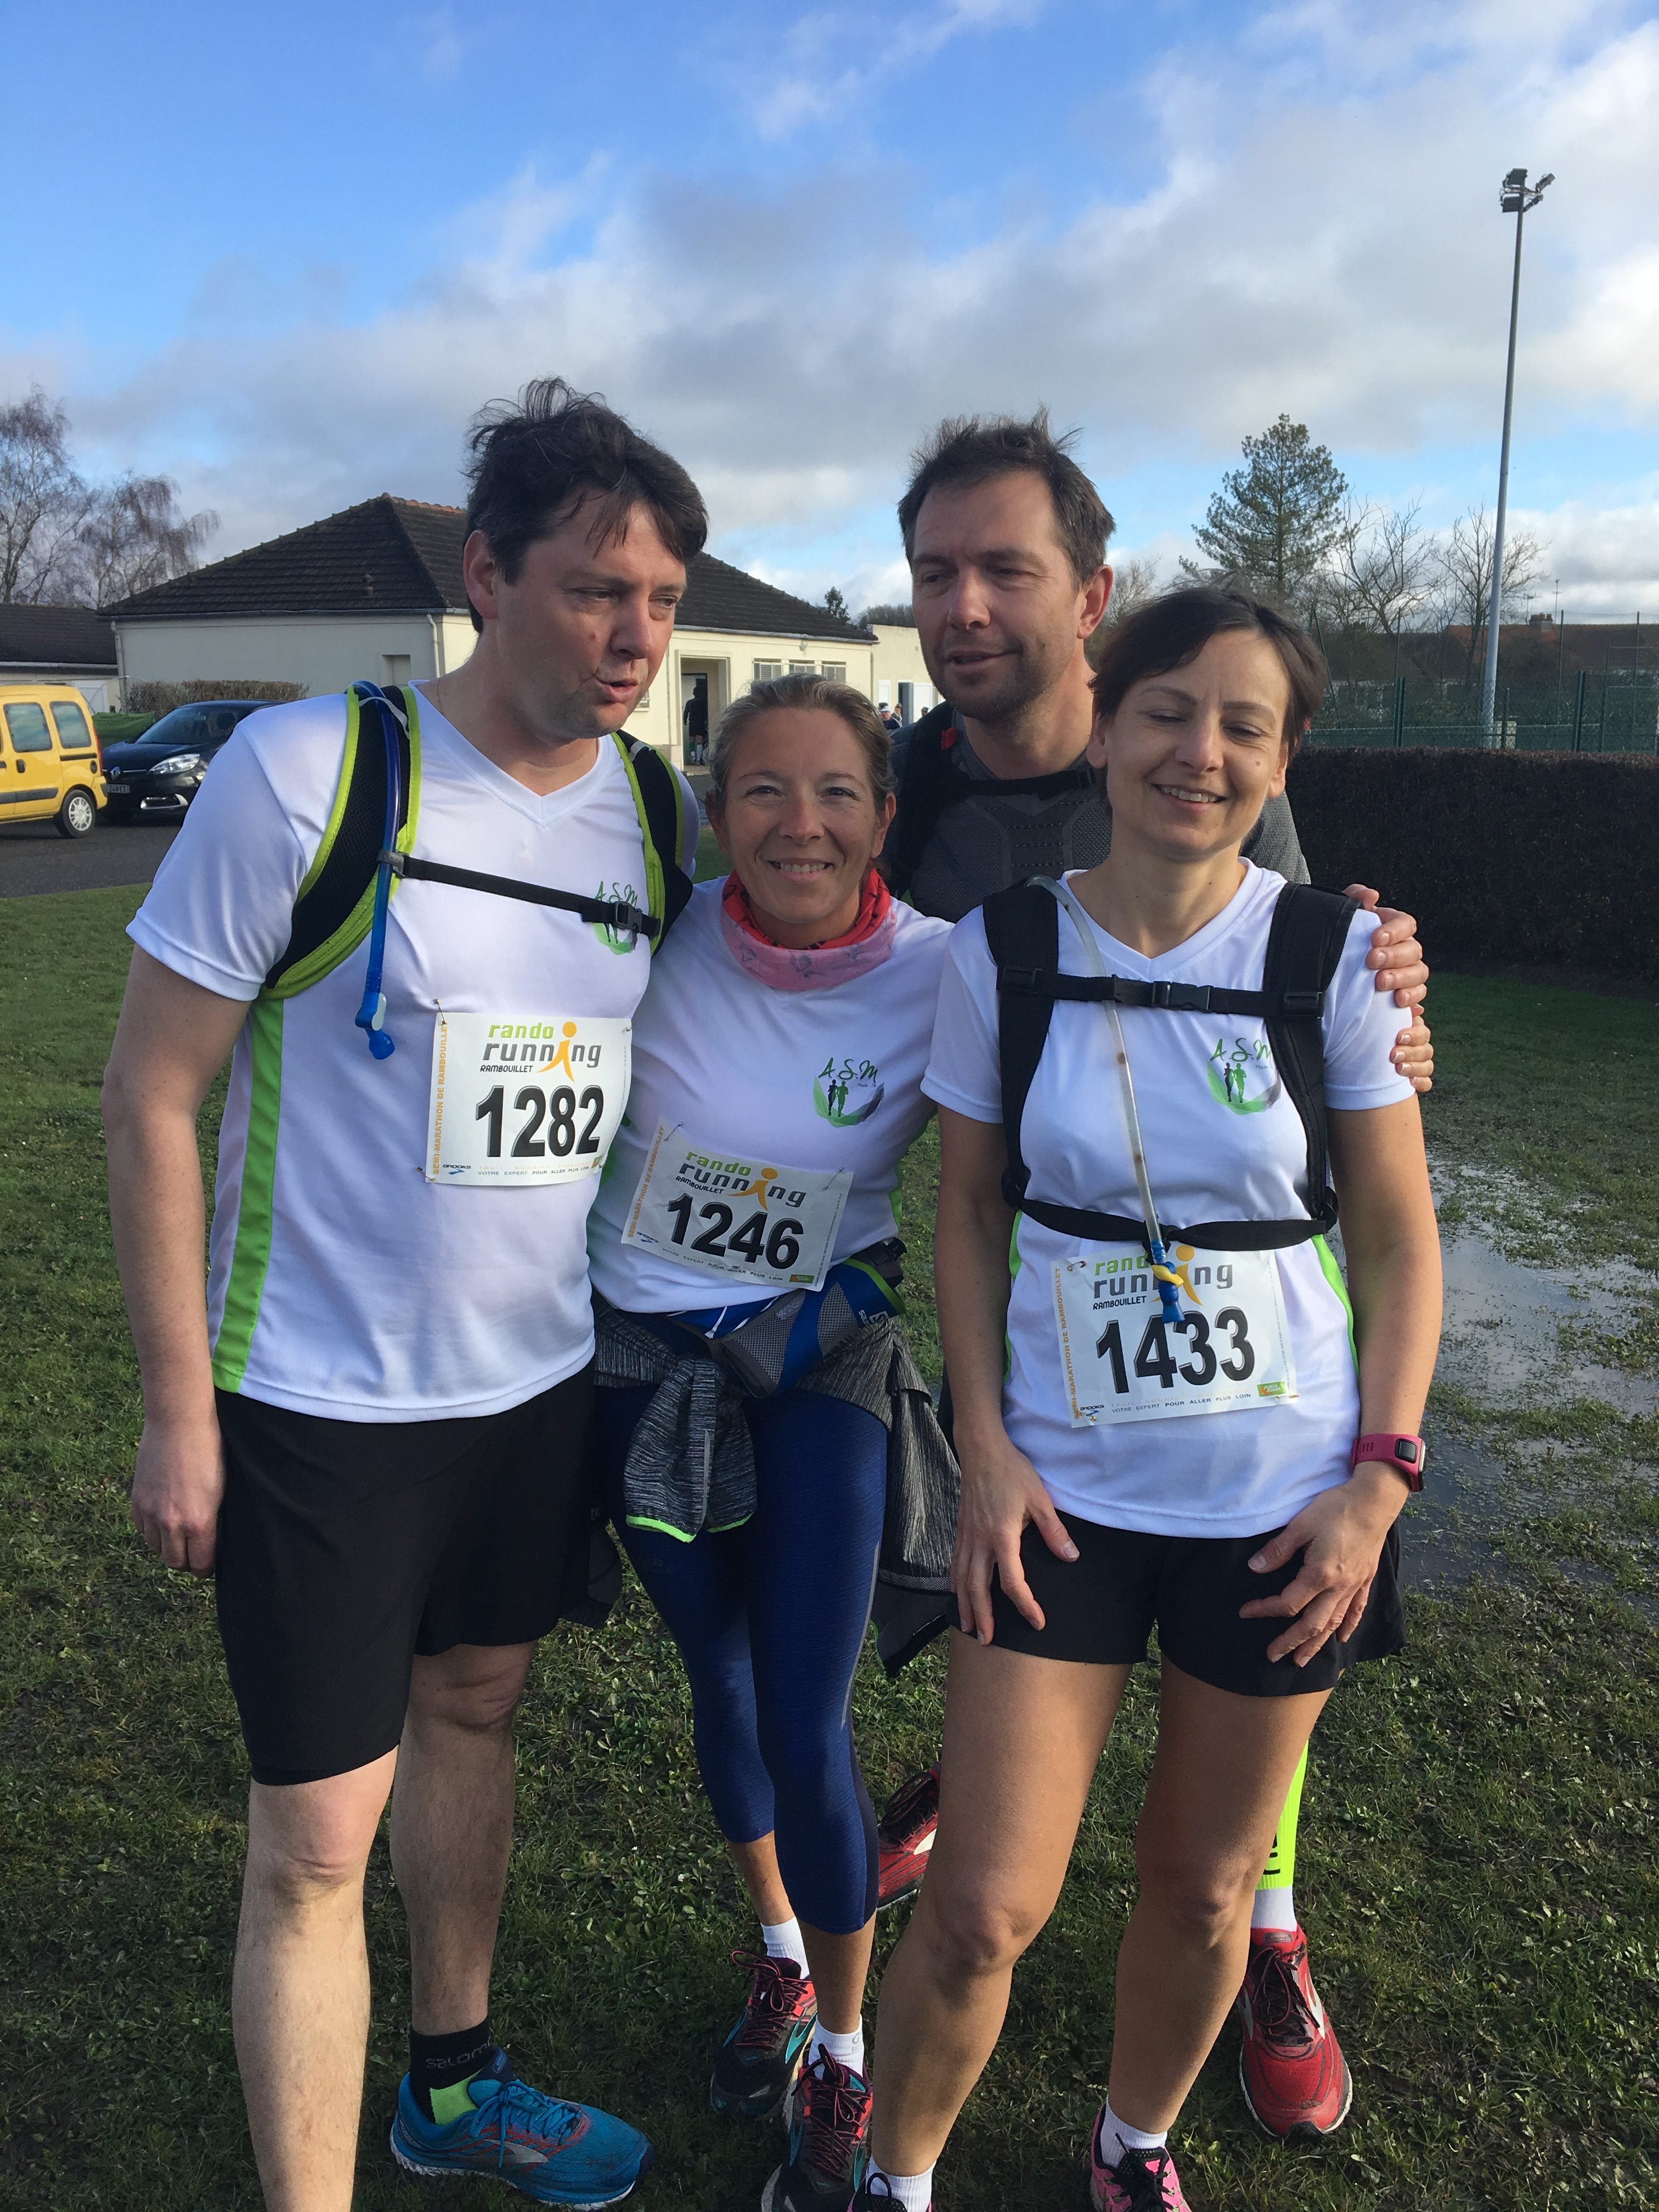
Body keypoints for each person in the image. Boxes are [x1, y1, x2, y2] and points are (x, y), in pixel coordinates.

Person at [101, 380, 706, 2212]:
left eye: (663, 602)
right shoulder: (311, 774)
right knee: (310, 1846)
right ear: (487, 578)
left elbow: (839, 967)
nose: (634, 636)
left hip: (530, 1394)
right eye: (596, 591)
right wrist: (179, 1410)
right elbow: (150, 1095)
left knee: (478, 1710)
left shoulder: (655, 813)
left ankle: (451, 2085)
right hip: (316, 1405)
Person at [869, 411, 1434, 2143]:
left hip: (1278, 1490)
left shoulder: (1335, 948)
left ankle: (1145, 2134)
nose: (1200, 752)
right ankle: (891, 2169)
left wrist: (1380, 1483)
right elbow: (966, 1207)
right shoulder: (955, 871)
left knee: (1201, 1887)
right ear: (1111, 718)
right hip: (1062, 1485)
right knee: (983, 1907)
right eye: (1170, 715)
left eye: (1243, 728)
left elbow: (1397, 1232)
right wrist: (983, 1449)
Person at [584, 674, 957, 2212]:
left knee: (808, 1714)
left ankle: (847, 2060)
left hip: (819, 1362)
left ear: (885, 814)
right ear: (714, 811)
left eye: (837, 792)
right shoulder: (645, 937)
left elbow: (1125, 1010)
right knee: (720, 1678)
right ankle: (784, 1952)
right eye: (763, 791)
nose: (801, 825)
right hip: (643, 1368)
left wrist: (1352, 961)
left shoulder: (945, 968)